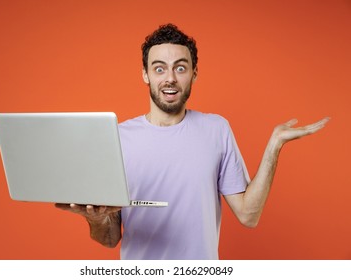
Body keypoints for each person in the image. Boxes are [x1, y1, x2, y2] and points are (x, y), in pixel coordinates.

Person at [56, 23, 329, 259]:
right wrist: (95, 218)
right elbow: (110, 238)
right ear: (145, 74)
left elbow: (249, 215)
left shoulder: (216, 129)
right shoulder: (117, 138)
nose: (170, 78)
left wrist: (275, 145)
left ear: (194, 73)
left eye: (181, 68)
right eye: (159, 68)